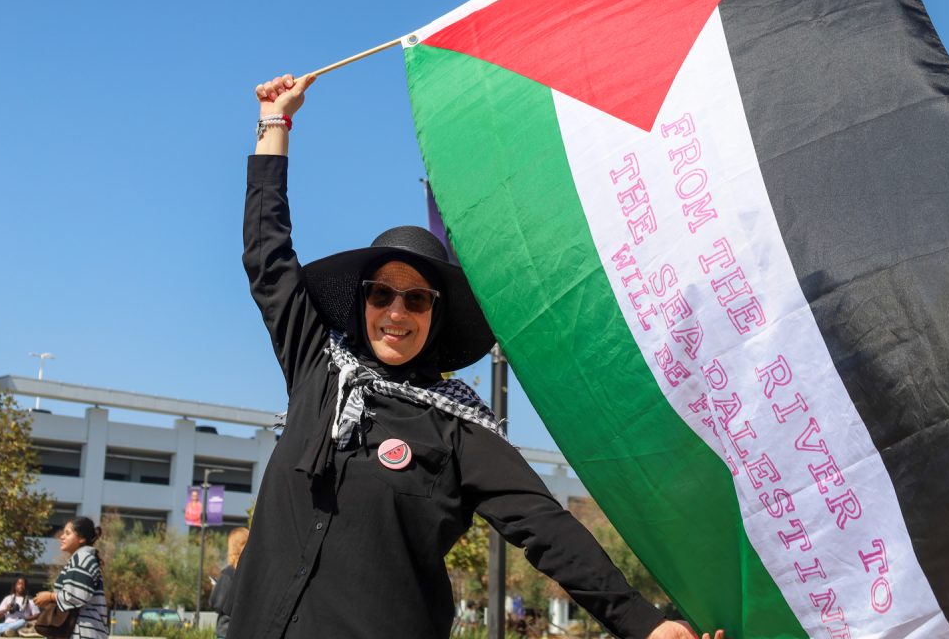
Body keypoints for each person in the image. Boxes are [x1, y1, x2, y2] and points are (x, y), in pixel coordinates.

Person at [227, 74, 725, 639]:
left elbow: (545, 528)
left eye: (416, 299)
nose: (397, 312)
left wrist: (645, 625)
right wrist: (275, 124)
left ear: (435, 315)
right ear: (362, 301)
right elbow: (267, 256)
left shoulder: (458, 427)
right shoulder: (318, 366)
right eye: (382, 293)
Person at [33, 518, 107, 639]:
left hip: (81, 631)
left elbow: (78, 595)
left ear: (81, 538)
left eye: (67, 533)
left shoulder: (82, 557)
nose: (62, 537)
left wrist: (50, 597)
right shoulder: (81, 558)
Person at [208, 527, 248, 638]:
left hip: (227, 630)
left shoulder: (229, 574)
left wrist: (216, 587)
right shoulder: (254, 572)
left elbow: (216, 603)